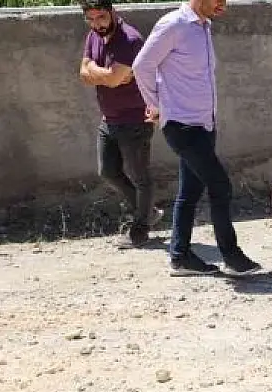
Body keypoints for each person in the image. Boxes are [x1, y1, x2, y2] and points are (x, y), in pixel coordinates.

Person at [132, 0, 261, 277]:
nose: (223, 7)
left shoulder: (204, 26)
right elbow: (142, 66)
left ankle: (180, 257)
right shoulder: (173, 24)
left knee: (189, 192)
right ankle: (232, 256)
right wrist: (156, 105)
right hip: (182, 125)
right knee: (220, 186)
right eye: (218, 0)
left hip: (203, 124)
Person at [78, 0, 161, 248]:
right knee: (108, 171)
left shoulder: (130, 40)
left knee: (140, 177)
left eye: (101, 18)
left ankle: (140, 229)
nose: (96, 24)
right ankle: (149, 213)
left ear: (113, 12)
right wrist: (105, 73)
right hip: (110, 118)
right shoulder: (94, 35)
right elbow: (84, 73)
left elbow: (112, 80)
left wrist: (99, 72)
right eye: (90, 19)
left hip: (135, 118)